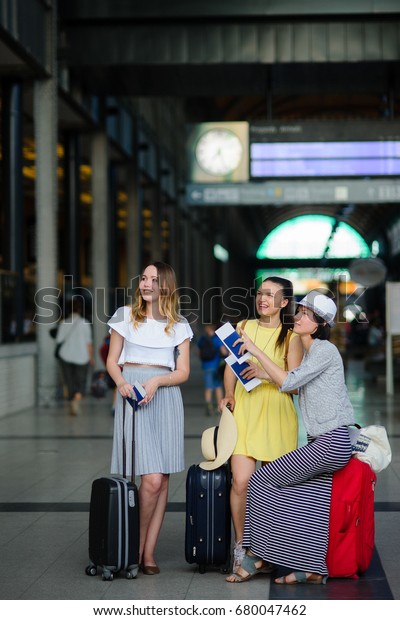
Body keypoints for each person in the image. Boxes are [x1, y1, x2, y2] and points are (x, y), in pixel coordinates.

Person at [226, 290, 355, 585]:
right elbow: (294, 380)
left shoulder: (324, 350)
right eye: (299, 311)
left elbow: (290, 381)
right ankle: (309, 568)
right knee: (312, 501)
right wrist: (264, 372)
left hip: (331, 441)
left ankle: (255, 557)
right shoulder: (314, 352)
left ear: (320, 324)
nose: (298, 317)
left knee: (259, 481)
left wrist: (256, 350)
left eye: (306, 314)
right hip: (323, 442)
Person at [106, 262, 193, 575]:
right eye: (143, 278)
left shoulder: (179, 325)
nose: (146, 284)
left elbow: (183, 372)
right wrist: (122, 384)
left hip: (165, 394)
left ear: (165, 286)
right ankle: (134, 545)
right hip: (133, 395)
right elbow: (112, 361)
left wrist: (156, 382)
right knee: (151, 479)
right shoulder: (124, 316)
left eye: (154, 280)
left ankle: (148, 552)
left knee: (163, 477)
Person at [220, 276, 303, 573]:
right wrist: (229, 393)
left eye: (270, 294)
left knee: (273, 488)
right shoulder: (243, 327)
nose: (262, 298)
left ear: (284, 302)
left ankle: (270, 550)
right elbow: (231, 366)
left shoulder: (291, 337)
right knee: (240, 481)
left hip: (277, 414)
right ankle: (242, 546)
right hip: (246, 410)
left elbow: (294, 385)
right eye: (259, 293)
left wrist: (265, 373)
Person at [56, 297, 94, 415]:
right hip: (82, 357)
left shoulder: (64, 323)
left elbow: (58, 340)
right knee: (81, 381)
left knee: (69, 381)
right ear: (80, 310)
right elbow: (89, 343)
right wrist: (91, 357)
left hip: (65, 356)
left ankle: (72, 400)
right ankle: (76, 401)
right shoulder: (85, 324)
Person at [196, 322, 227, 416]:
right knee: (218, 386)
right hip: (216, 366)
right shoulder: (217, 339)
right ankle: (220, 407)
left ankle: (208, 407)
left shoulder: (202, 339)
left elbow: (198, 351)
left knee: (208, 387)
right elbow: (224, 352)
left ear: (206, 328)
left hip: (206, 366)